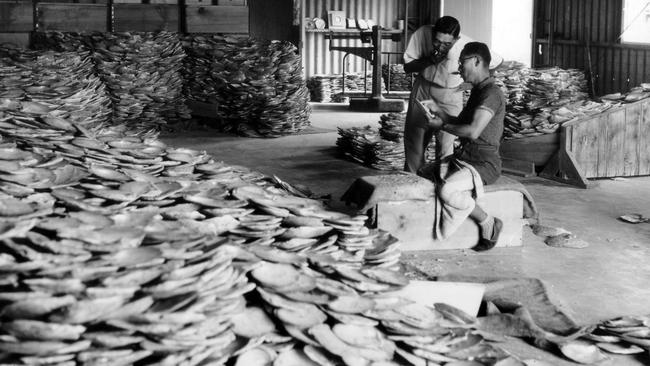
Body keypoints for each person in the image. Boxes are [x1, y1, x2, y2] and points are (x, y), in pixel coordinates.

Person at [419, 41, 505, 251]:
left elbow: (473, 131)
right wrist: (440, 111)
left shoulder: (491, 94)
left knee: (447, 190)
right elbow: (461, 124)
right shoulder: (478, 90)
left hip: (484, 163)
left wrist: (443, 125)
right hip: (466, 157)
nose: (459, 68)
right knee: (424, 173)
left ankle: (489, 223)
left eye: (461, 62)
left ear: (476, 61)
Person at [403, 16, 463, 174]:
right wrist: (429, 60)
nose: (441, 47)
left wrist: (467, 86)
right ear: (432, 33)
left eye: (447, 44)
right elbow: (407, 67)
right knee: (414, 141)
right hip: (424, 88)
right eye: (437, 41)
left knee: (446, 145)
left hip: (450, 94)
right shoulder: (422, 33)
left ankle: (442, 186)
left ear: (456, 40)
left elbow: (492, 64)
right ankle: (412, 182)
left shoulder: (466, 43)